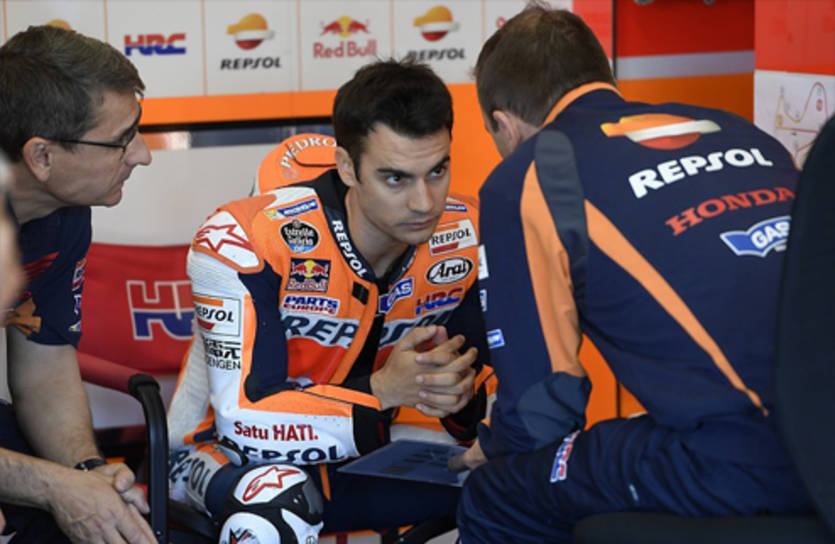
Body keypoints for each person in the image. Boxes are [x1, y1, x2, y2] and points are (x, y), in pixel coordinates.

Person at [452, 6, 810, 543]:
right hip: (820, 431)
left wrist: (492, 447)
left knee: (495, 493)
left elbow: (540, 411)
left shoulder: (528, 177)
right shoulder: (739, 131)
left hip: (750, 456)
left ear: (503, 124)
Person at [167, 59, 490, 542]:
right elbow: (243, 420)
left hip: (360, 452)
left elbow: (475, 414)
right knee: (275, 505)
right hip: (220, 455)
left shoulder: (467, 235)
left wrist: (458, 397)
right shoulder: (246, 238)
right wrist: (382, 391)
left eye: (437, 171)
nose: (424, 202)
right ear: (346, 167)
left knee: (525, 476)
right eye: (396, 178)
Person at [0, 25, 154, 543]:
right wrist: (54, 487)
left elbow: (43, 363)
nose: (142, 155)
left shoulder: (62, 214)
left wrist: (87, 473)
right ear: (41, 157)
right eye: (121, 140)